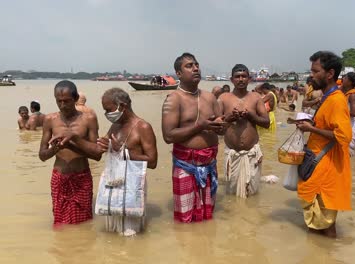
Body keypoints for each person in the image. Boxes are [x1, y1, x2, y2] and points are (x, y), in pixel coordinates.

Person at [161, 53, 225, 223]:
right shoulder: (174, 99)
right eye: (189, 66)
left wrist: (228, 121)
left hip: (209, 164)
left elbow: (221, 130)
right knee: (185, 221)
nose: (196, 68)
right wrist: (200, 126)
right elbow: (168, 136)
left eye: (196, 64)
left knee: (207, 216)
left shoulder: (210, 97)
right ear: (179, 74)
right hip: (186, 166)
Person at [296, 51, 352, 238]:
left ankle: (328, 253)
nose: (311, 75)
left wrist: (311, 130)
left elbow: (343, 136)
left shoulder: (337, 100)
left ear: (329, 73)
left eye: (315, 71)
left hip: (328, 166)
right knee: (316, 220)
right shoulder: (327, 97)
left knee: (326, 223)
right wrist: (310, 125)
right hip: (317, 163)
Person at [38, 80, 102, 225]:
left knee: (84, 222)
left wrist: (73, 139)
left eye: (66, 101)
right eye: (58, 101)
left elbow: (97, 155)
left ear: (75, 99)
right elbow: (42, 156)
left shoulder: (88, 119)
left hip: (81, 177)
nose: (62, 105)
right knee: (60, 223)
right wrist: (56, 148)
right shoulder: (49, 120)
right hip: (59, 178)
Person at [97, 88, 157, 236]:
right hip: (114, 184)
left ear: (122, 106)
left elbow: (153, 161)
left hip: (133, 187)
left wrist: (123, 152)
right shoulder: (115, 125)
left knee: (130, 233)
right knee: (112, 231)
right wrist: (103, 145)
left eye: (108, 110)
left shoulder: (143, 127)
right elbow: (104, 146)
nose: (107, 115)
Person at [218, 64, 269, 198]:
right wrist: (229, 118)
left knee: (252, 194)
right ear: (231, 79)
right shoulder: (223, 98)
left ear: (249, 79)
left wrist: (251, 116)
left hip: (252, 153)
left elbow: (267, 123)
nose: (241, 79)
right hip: (232, 154)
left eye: (244, 76)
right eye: (237, 76)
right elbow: (216, 127)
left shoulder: (256, 97)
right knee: (231, 195)